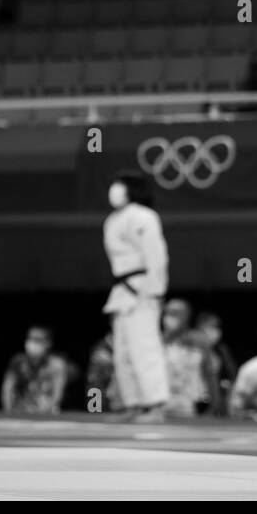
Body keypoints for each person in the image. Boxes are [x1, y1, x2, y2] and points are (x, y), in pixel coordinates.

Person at [101, 170, 169, 423]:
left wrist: (155, 290)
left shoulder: (145, 216)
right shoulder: (113, 220)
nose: (115, 190)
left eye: (120, 185)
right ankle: (133, 403)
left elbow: (156, 256)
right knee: (123, 351)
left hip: (142, 288)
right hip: (121, 289)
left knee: (145, 348)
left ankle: (156, 404)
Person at [1, 326, 68, 414]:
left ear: (48, 343)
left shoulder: (57, 364)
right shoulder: (18, 362)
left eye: (37, 339)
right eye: (30, 338)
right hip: (19, 411)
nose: (32, 343)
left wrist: (49, 412)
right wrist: (8, 412)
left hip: (46, 412)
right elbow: (7, 389)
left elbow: (58, 395)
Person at [195, 311, 236, 416]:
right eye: (212, 326)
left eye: (217, 327)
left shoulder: (221, 350)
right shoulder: (192, 349)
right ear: (200, 326)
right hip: (195, 402)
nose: (215, 330)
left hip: (215, 402)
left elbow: (231, 374)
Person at [86, 330, 123, 413]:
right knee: (95, 376)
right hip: (104, 393)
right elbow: (94, 381)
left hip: (119, 394)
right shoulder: (101, 350)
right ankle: (96, 409)